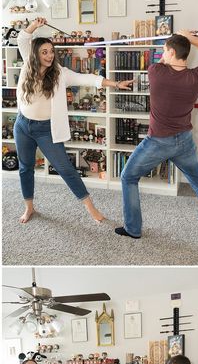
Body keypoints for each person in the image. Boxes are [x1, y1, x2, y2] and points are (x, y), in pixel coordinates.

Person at [14, 17, 133, 224]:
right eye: (44, 52)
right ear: (35, 54)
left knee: (65, 169)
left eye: (51, 51)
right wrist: (35, 25)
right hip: (23, 125)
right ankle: (29, 207)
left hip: (46, 129)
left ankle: (90, 208)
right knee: (25, 167)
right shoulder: (26, 63)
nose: (50, 55)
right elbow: (23, 38)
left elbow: (88, 78)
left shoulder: (60, 74)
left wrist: (115, 83)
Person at [115, 30, 198, 238]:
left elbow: (164, 60)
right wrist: (190, 37)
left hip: (157, 142)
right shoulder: (197, 76)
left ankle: (133, 229)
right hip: (184, 141)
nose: (162, 53)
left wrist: (180, 38)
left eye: (165, 50)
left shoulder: (156, 71)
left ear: (171, 51)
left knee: (128, 177)